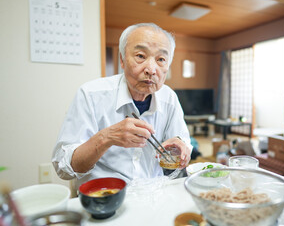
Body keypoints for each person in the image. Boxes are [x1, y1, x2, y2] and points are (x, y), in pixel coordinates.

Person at [52, 23, 192, 189]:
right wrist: (107, 137)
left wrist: (181, 146)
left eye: (161, 59)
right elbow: (64, 168)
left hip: (153, 194)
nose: (151, 69)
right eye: (140, 56)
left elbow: (184, 146)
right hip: (104, 197)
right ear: (122, 60)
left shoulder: (169, 97)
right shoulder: (91, 94)